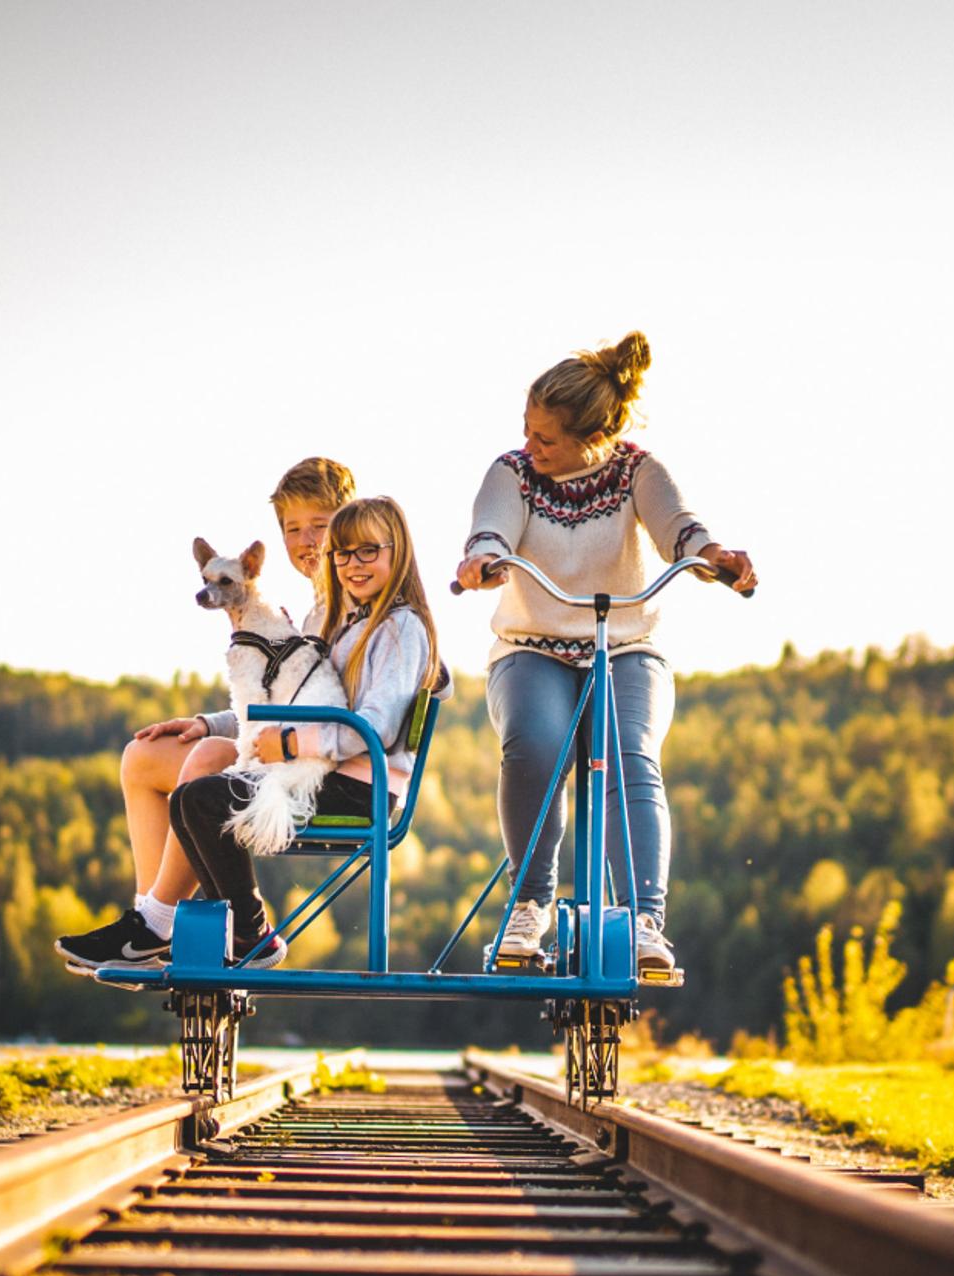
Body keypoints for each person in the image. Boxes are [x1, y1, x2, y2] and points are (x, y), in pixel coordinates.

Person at [453, 331, 756, 977]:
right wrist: (482, 558)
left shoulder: (637, 471)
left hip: (625, 646)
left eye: (547, 439)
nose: (530, 448)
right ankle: (530, 904)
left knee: (630, 754)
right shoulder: (512, 472)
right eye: (527, 432)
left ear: (595, 438)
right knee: (533, 746)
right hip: (530, 648)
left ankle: (644, 920)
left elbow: (681, 530)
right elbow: (492, 525)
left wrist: (713, 559)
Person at [57, 457, 352, 971]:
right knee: (144, 758)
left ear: (351, 521)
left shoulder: (355, 607)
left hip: (324, 768)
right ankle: (151, 919)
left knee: (208, 760)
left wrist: (226, 736)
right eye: (292, 529)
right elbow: (281, 703)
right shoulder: (311, 609)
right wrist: (207, 722)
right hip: (281, 746)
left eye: (319, 526)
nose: (306, 541)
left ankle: (157, 924)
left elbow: (330, 719)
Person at [164, 495, 446, 967]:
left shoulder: (400, 630)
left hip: (359, 785)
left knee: (202, 800)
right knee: (185, 801)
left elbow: (374, 728)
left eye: (367, 551)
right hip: (327, 771)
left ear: (398, 554)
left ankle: (250, 933)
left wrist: (291, 743)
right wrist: (214, 725)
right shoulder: (345, 624)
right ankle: (234, 931)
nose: (352, 564)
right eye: (342, 553)